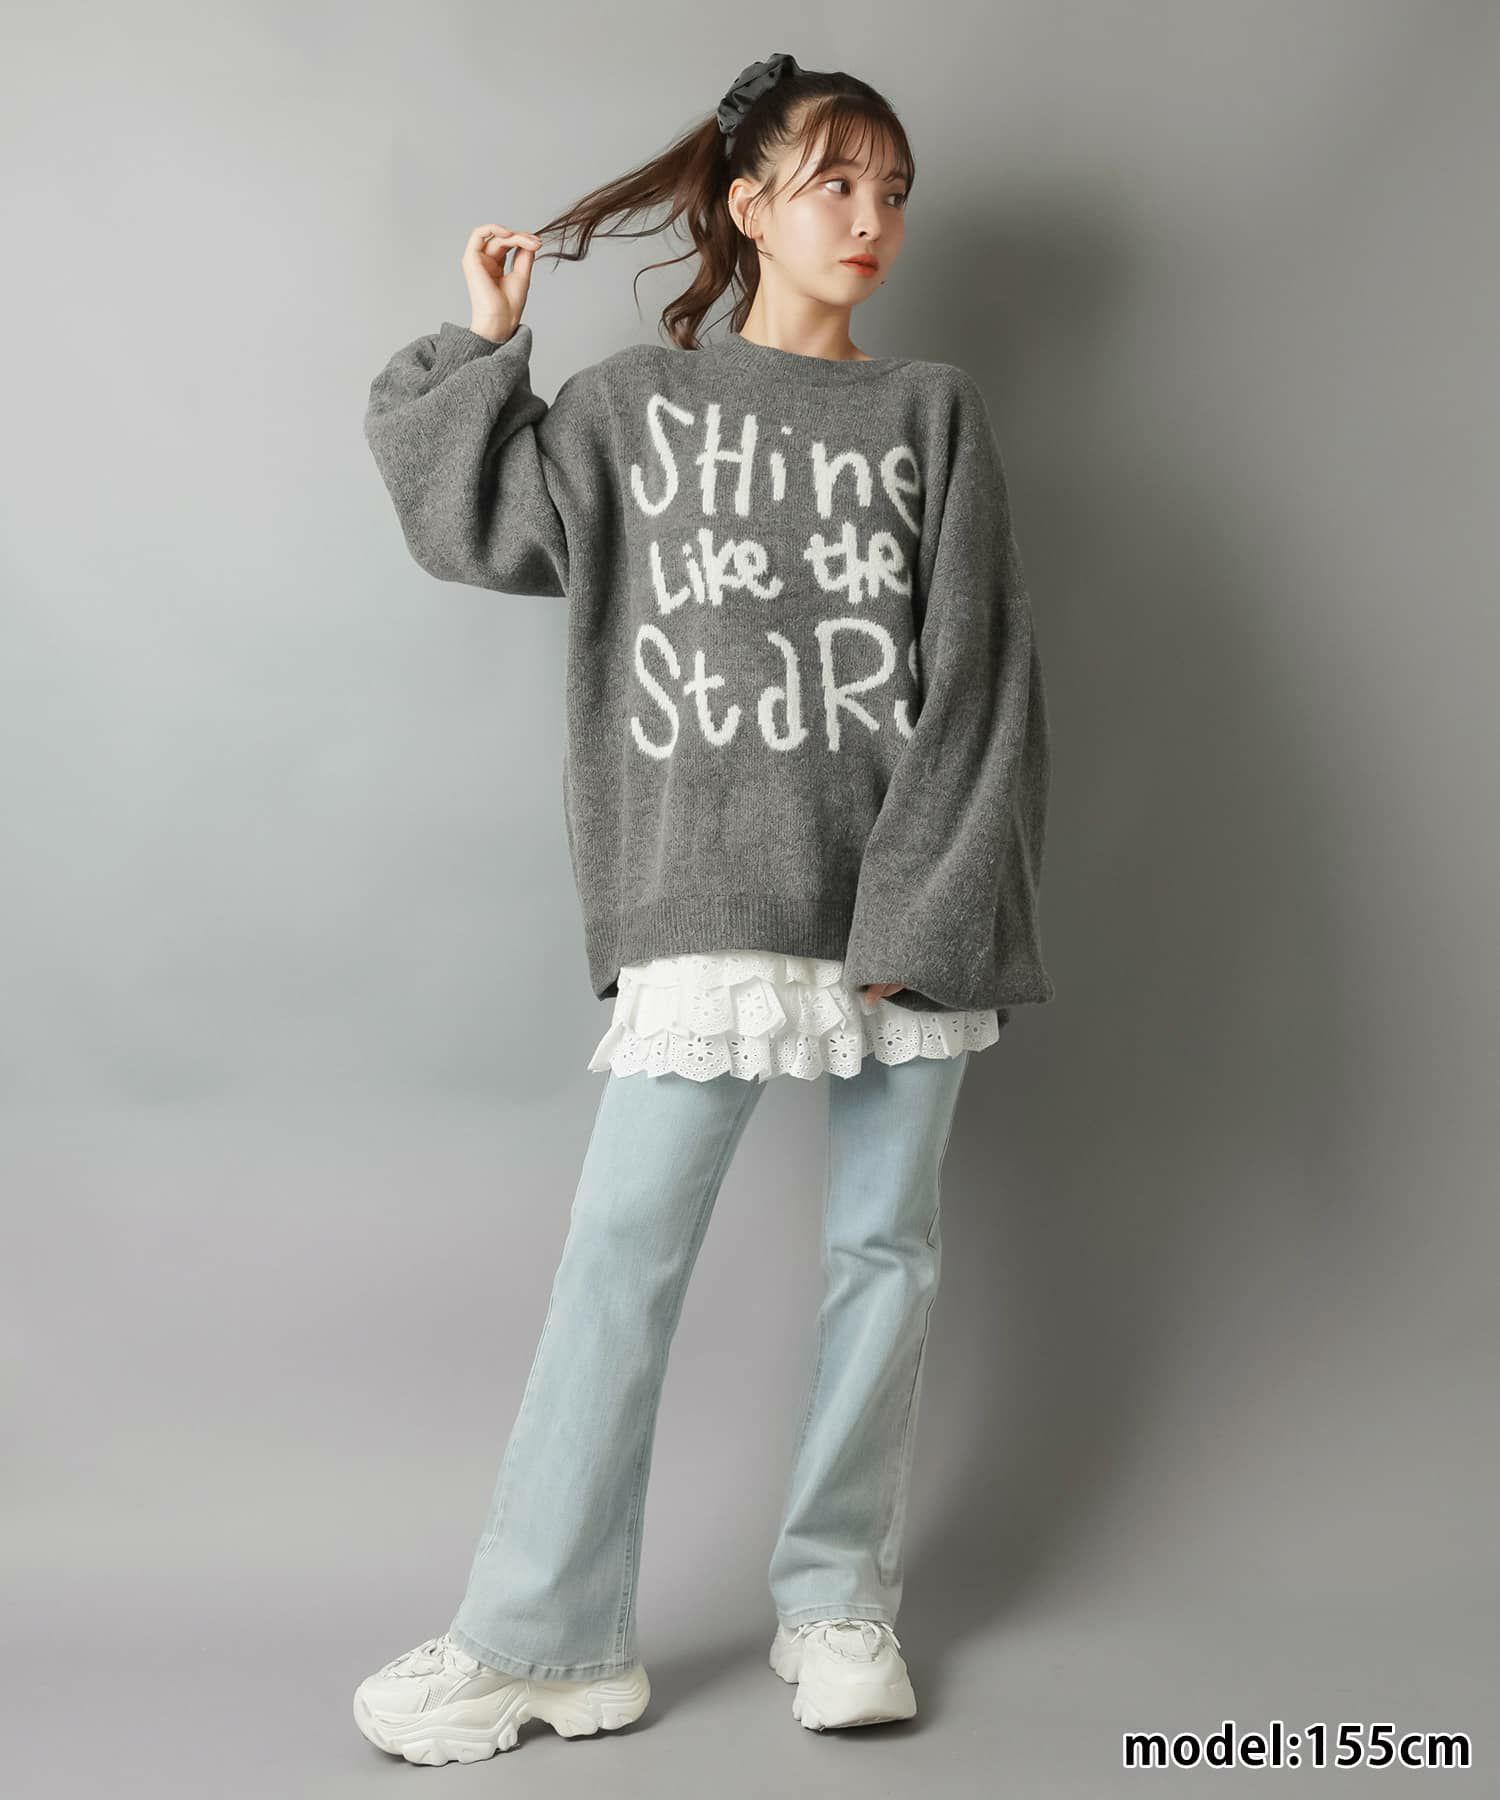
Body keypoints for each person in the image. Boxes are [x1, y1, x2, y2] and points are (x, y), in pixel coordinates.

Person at [353, 51, 1055, 1763]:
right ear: (749, 206)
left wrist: (922, 913)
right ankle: (547, 1639)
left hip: (901, 899)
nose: (871, 219)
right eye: (836, 184)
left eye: (894, 192)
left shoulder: (931, 411)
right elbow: (472, 526)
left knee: (883, 1255)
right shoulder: (631, 413)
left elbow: (979, 678)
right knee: (622, 1255)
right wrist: (481, 344)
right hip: (710, 901)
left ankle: (838, 1604)